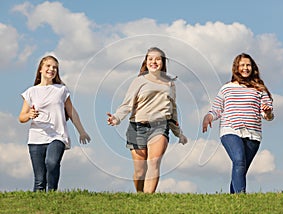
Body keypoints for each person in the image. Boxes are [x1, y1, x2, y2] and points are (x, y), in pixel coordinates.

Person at [107, 47, 187, 193]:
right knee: (139, 171)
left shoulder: (170, 83)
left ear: (163, 62)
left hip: (160, 126)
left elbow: (172, 110)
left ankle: (148, 200)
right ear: (146, 61)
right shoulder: (139, 81)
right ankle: (140, 195)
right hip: (137, 127)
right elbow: (127, 104)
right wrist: (116, 118)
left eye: (157, 59)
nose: (154, 62)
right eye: (150, 59)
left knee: (154, 162)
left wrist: (179, 133)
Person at [202, 53, 274, 194]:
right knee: (239, 161)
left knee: (240, 169)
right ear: (236, 68)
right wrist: (209, 116)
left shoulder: (260, 89)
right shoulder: (227, 88)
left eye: (248, 65)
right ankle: (241, 197)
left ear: (253, 68)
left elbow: (268, 115)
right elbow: (217, 108)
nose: (245, 68)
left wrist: (268, 112)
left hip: (253, 134)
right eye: (242, 65)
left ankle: (233, 202)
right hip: (230, 130)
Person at [19, 55, 91, 192]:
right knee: (39, 180)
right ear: (40, 69)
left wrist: (82, 131)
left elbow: (72, 112)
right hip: (36, 138)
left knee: (51, 162)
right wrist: (29, 115)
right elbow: (21, 117)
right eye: (48, 66)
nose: (52, 69)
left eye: (55, 68)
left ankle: (52, 193)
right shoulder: (31, 92)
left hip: (57, 135)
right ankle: (38, 208)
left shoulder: (61, 90)